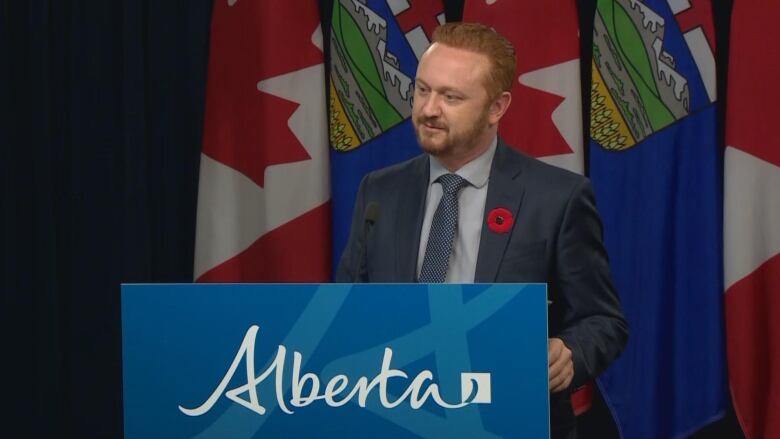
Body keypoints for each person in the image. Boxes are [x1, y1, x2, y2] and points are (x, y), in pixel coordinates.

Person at [336, 22, 627, 439]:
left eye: (451, 97)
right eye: (422, 90)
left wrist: (570, 354)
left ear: (497, 107)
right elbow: (348, 307)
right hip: (395, 420)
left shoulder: (557, 199)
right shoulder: (379, 191)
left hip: (511, 421)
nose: (428, 109)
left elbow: (603, 320)